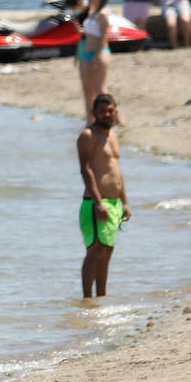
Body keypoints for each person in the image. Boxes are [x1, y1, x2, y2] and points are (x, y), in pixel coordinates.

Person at [78, 93, 130, 298]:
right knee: (94, 251)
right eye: (103, 111)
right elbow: (86, 170)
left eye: (111, 111)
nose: (107, 115)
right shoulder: (87, 136)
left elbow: (116, 171)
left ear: (115, 112)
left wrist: (125, 202)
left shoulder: (113, 136)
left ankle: (101, 299)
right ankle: (87, 300)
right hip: (95, 203)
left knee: (107, 252)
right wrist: (99, 203)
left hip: (114, 203)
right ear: (93, 113)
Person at [76, 0, 113, 125]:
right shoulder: (92, 12)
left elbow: (103, 37)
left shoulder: (103, 14)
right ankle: (90, 121)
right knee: (87, 88)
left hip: (100, 52)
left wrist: (97, 57)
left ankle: (114, 117)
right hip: (86, 52)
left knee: (99, 88)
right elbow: (88, 33)